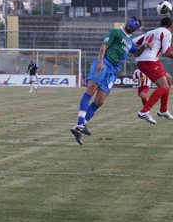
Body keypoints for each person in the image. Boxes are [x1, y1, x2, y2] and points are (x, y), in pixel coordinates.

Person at [70, 16, 151, 145]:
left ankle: (79, 127)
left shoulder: (130, 42)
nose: (132, 24)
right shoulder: (116, 32)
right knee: (91, 89)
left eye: (135, 24)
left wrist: (144, 46)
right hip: (105, 63)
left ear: (136, 28)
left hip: (113, 71)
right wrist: (100, 63)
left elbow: (137, 53)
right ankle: (80, 124)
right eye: (131, 22)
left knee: (100, 101)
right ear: (128, 22)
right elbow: (103, 48)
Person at [134, 17, 173, 124]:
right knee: (164, 86)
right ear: (171, 26)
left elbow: (133, 42)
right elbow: (167, 52)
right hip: (149, 61)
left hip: (146, 61)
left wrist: (143, 47)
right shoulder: (167, 32)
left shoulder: (151, 32)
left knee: (169, 80)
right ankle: (144, 111)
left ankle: (163, 110)